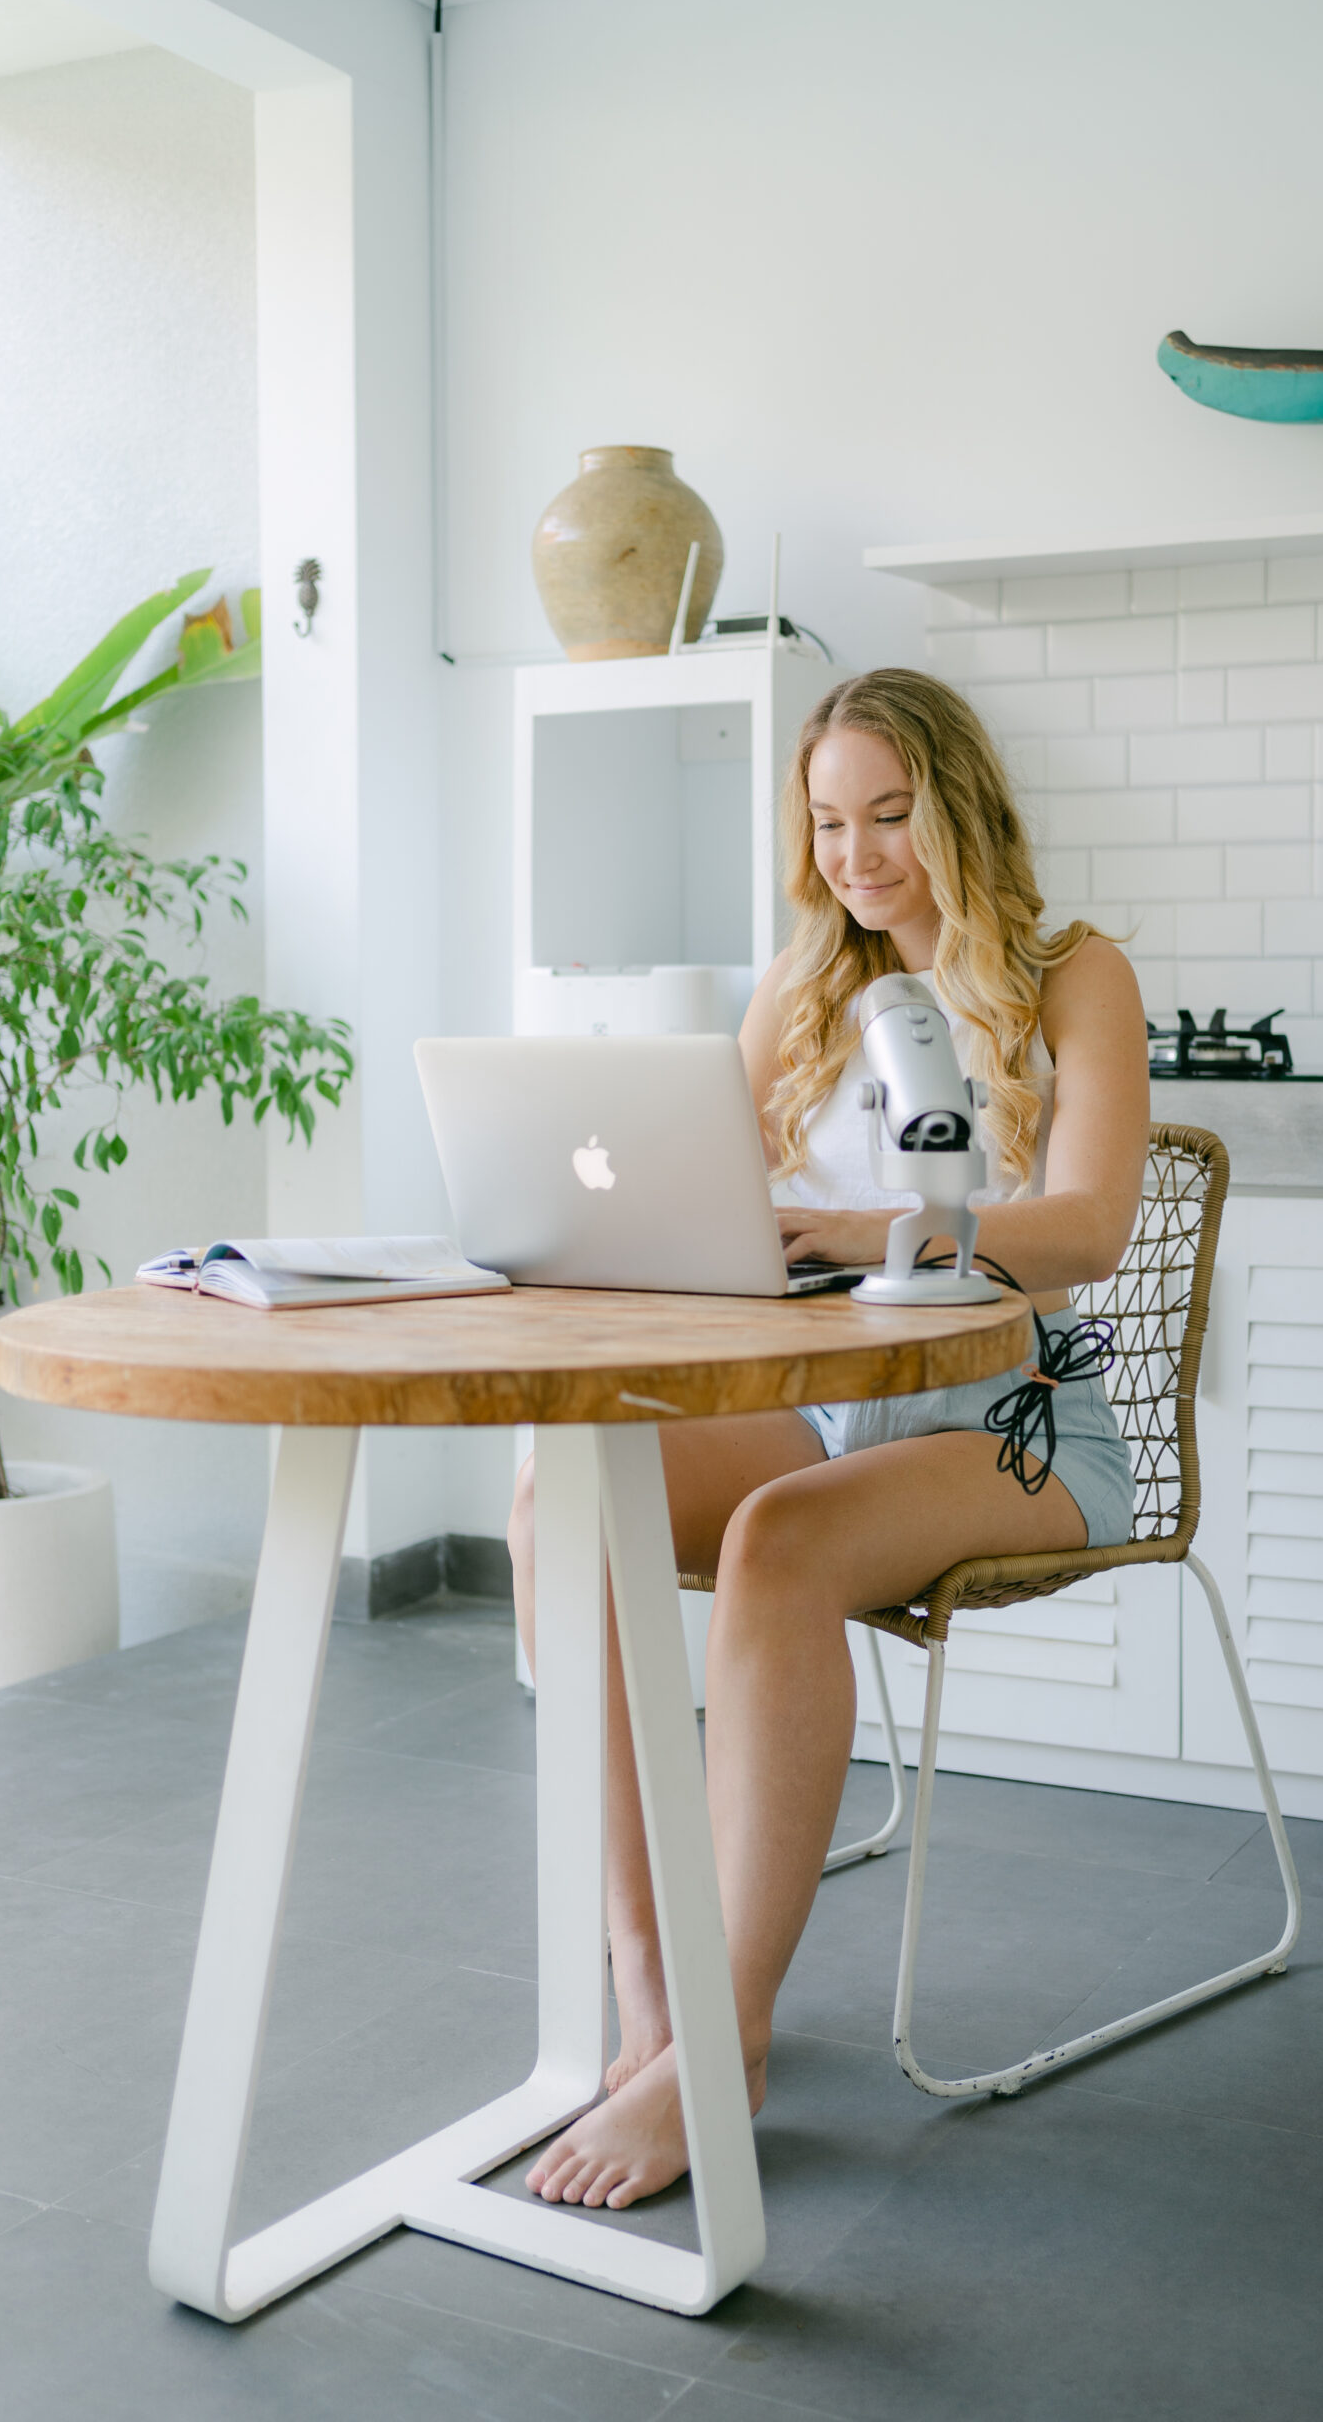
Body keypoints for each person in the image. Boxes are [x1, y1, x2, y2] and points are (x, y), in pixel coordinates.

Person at [508, 665, 1150, 2209]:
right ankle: (654, 1977)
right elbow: (699, 1196)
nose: (859, 856)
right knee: (562, 1493)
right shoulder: (800, 991)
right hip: (829, 1406)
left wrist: (879, 1223)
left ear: (957, 808)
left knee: (777, 1545)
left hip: (1021, 1425)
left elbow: (1093, 1228)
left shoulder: (1074, 975)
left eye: (890, 815)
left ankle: (728, 2040)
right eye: (829, 822)